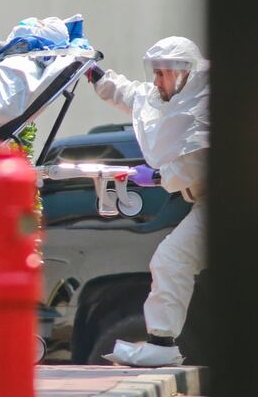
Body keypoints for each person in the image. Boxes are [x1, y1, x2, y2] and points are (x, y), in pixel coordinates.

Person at [87, 36, 209, 367]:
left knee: (170, 261)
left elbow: (191, 165)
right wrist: (94, 74)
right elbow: (134, 96)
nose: (156, 82)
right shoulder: (176, 98)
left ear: (183, 73)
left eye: (161, 74)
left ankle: (162, 343)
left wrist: (154, 177)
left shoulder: (204, 106)